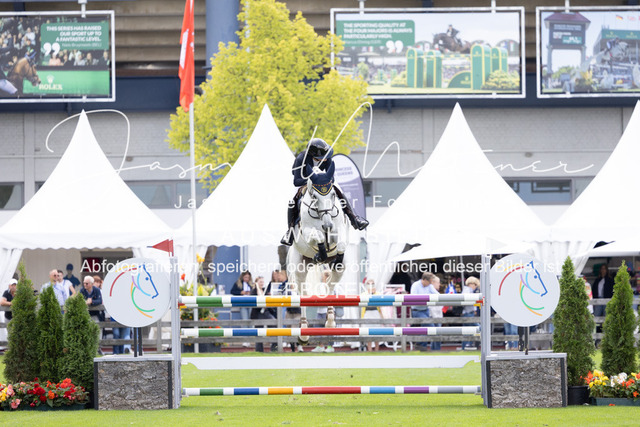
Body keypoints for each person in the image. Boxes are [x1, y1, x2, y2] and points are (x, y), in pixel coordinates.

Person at [280, 138, 368, 246]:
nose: (326, 159)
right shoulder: (301, 159)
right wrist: (312, 180)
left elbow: (332, 178)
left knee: (338, 191)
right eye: (322, 157)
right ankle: (290, 231)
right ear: (313, 155)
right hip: (304, 182)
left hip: (323, 182)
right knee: (292, 201)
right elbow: (296, 181)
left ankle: (354, 219)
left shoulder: (327, 157)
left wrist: (323, 180)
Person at [250, 276, 277, 352]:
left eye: (262, 282)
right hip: (257, 313)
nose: (262, 283)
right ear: (256, 283)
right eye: (260, 282)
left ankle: (274, 346)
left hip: (266, 311)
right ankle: (259, 350)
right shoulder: (254, 291)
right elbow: (259, 298)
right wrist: (257, 287)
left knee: (273, 324)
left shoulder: (266, 290)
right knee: (259, 331)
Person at [409, 272, 432, 351]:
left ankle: (421, 345)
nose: (430, 283)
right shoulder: (415, 285)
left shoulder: (429, 286)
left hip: (425, 309)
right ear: (424, 280)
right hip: (417, 310)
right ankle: (420, 343)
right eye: (429, 282)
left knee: (427, 327)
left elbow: (436, 294)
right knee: (429, 326)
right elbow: (413, 298)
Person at [361, 279, 382, 352]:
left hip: (376, 313)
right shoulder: (364, 294)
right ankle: (369, 349)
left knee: (377, 332)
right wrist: (369, 293)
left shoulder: (378, 294)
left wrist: (374, 293)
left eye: (372, 284)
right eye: (369, 284)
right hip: (367, 313)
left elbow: (380, 304)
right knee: (368, 332)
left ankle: (377, 349)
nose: (371, 286)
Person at [461, 276, 480, 350]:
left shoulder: (466, 290)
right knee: (480, 328)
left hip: (466, 312)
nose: (475, 287)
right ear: (471, 284)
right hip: (468, 312)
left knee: (466, 331)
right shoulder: (468, 290)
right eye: (475, 285)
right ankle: (469, 345)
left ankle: (464, 347)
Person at [425, 274, 443, 351]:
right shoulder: (431, 290)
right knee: (436, 333)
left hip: (436, 314)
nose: (439, 284)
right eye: (438, 282)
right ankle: (436, 349)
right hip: (434, 314)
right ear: (433, 282)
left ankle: (434, 349)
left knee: (435, 333)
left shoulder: (432, 291)